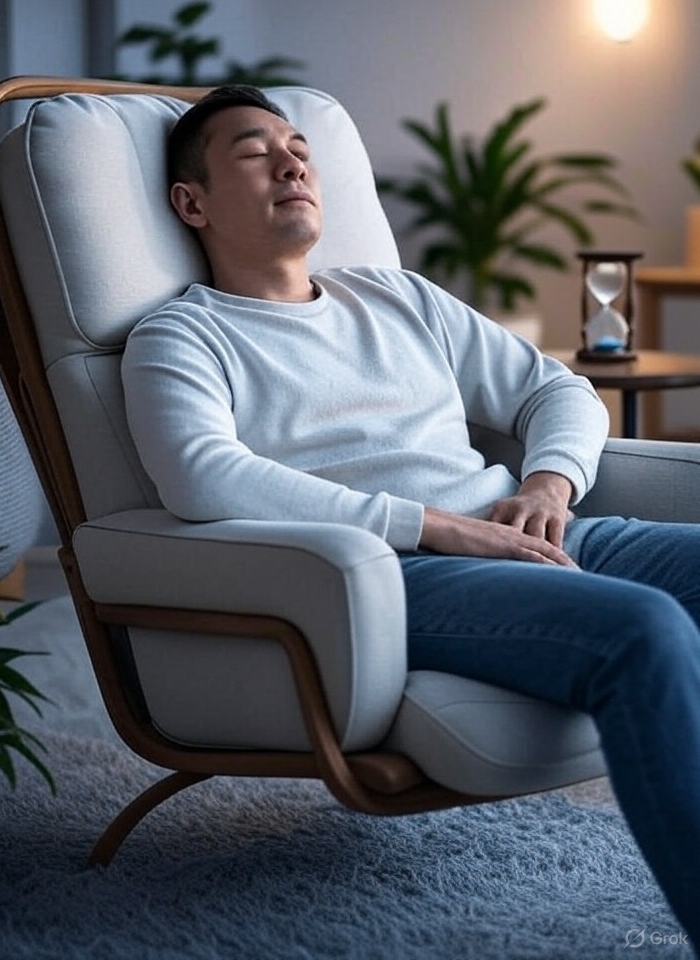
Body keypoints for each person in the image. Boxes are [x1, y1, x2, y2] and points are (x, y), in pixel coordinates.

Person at [121, 85, 700, 952]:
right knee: (642, 629)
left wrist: (549, 486)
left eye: (299, 147)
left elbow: (558, 388)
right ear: (191, 202)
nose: (292, 162)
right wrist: (435, 525)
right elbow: (203, 478)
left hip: (538, 532)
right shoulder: (183, 337)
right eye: (254, 151)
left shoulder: (398, 298)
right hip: (396, 577)